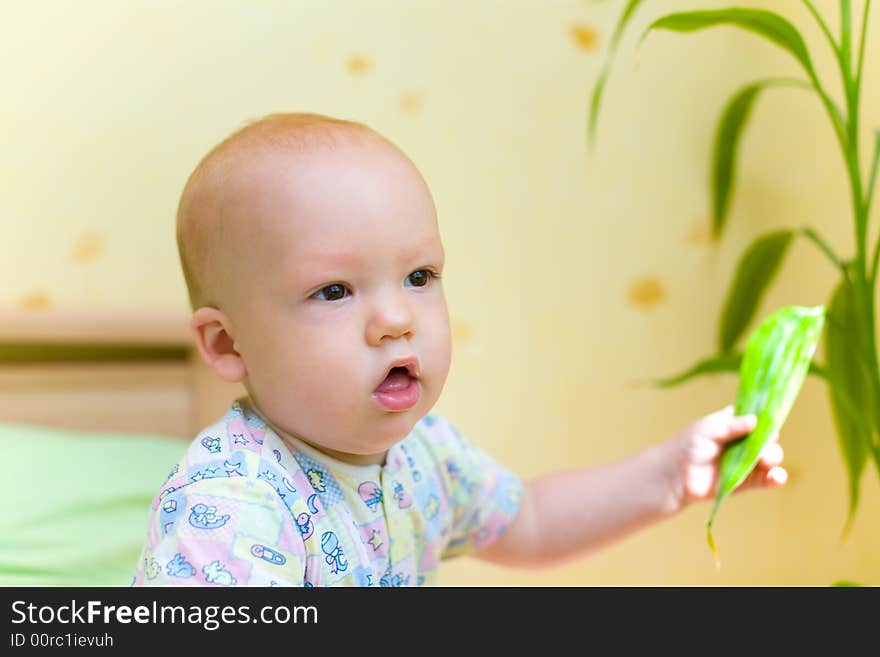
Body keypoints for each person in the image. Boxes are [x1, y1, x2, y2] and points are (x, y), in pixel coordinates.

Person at [132, 113, 786, 587]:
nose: (395, 319)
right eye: (334, 290)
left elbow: (529, 520)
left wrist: (667, 476)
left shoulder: (426, 456)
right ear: (227, 343)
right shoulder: (234, 505)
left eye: (419, 277)